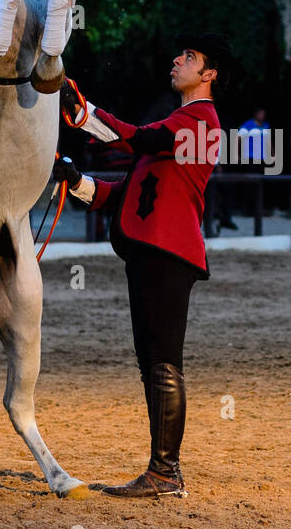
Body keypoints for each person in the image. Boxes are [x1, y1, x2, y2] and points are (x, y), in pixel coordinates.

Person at [53, 33, 236, 498]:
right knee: (153, 364)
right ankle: (162, 471)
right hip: (155, 253)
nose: (177, 59)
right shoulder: (181, 122)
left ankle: (165, 473)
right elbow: (127, 191)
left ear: (208, 75)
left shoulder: (201, 118)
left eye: (189, 57)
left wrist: (85, 115)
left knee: (162, 365)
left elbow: (136, 138)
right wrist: (77, 182)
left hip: (167, 255)